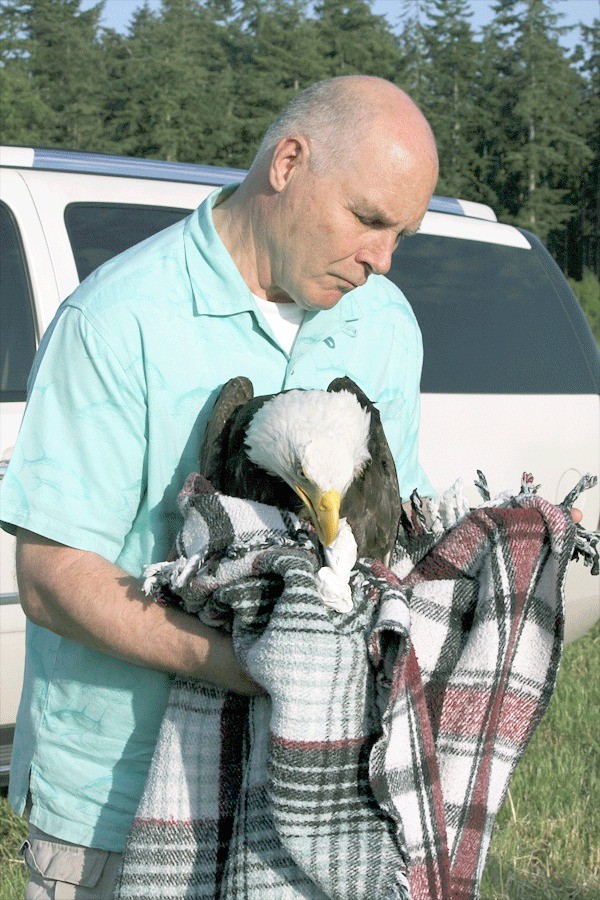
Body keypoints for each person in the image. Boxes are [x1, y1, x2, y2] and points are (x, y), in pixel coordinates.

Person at [1, 74, 439, 897]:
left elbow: (395, 545)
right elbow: (52, 581)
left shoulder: (384, 326)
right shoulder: (118, 318)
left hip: (315, 807)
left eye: (401, 236)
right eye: (369, 220)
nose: (381, 260)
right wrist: (256, 665)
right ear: (288, 163)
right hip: (116, 804)